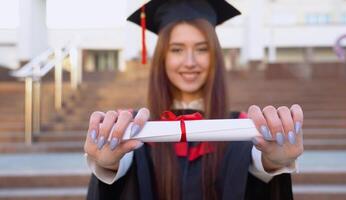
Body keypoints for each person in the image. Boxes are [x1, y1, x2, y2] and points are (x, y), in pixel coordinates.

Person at [84, 0, 304, 199]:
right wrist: (109, 165)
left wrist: (273, 162)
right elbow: (121, 173)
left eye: (201, 49)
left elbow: (256, 166)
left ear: (215, 56)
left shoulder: (241, 128)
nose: (190, 62)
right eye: (177, 49)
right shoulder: (135, 129)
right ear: (162, 57)